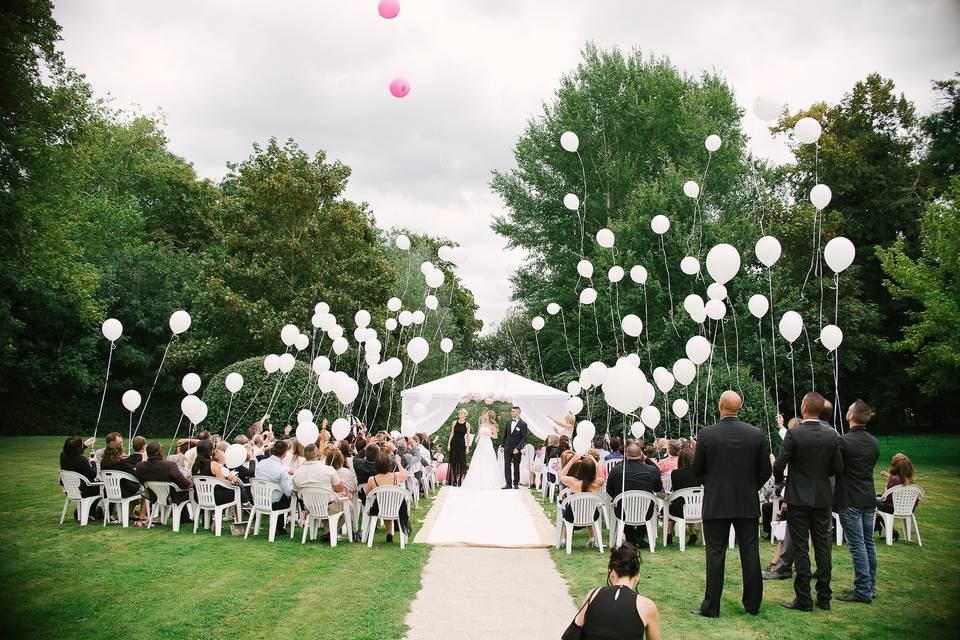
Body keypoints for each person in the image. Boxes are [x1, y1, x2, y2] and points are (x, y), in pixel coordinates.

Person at [691, 390, 771, 619]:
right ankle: (753, 604)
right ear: (740, 408)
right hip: (746, 502)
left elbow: (697, 470)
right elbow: (765, 471)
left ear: (720, 407)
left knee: (715, 554)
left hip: (717, 502)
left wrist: (713, 483)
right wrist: (748, 487)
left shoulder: (707, 435)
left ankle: (711, 607)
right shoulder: (755, 434)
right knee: (750, 552)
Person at [774, 392, 843, 612]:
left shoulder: (794, 434)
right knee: (823, 546)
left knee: (801, 546)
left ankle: (804, 598)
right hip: (822, 497)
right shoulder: (832, 435)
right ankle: (824, 596)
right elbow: (837, 468)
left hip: (798, 497)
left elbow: (778, 465)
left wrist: (781, 481)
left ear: (804, 407)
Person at [833, 400, 880, 604]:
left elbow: (835, 467)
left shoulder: (844, 442)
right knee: (868, 543)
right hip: (869, 497)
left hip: (851, 498)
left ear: (851, 416)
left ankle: (863, 589)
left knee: (858, 545)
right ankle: (870, 586)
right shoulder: (874, 442)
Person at [569, 543, 661, 640]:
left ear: (612, 574)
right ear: (637, 578)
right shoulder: (647, 606)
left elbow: (576, 627)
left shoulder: (593, 594)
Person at [605, 441, 662, 547]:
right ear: (641, 455)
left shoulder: (617, 470)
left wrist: (617, 497)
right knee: (648, 505)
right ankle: (637, 536)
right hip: (645, 511)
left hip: (623, 510)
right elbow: (658, 488)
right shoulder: (652, 470)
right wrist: (647, 459)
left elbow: (609, 490)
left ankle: (631, 537)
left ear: (626, 455)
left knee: (622, 505)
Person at [559, 452, 605, 547]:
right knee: (587, 509)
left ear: (580, 469)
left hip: (572, 516)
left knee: (564, 509)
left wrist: (571, 461)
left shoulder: (573, 482)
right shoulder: (596, 483)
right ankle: (592, 537)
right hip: (592, 516)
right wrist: (595, 463)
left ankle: (565, 539)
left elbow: (561, 475)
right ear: (593, 471)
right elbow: (602, 477)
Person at [135, 441, 193, 510]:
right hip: (172, 497)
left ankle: (184, 517)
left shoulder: (140, 466)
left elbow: (141, 481)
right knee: (192, 490)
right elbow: (184, 484)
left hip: (153, 496)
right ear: (160, 452)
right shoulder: (169, 465)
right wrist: (191, 482)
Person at [366, 451, 409, 542]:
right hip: (397, 507)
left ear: (376, 465)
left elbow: (367, 494)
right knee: (388, 504)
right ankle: (391, 532)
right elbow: (405, 475)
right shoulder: (396, 476)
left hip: (381, 507)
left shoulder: (372, 479)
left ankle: (389, 532)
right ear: (389, 465)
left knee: (382, 504)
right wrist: (398, 463)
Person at [254, 439, 295, 535]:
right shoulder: (281, 470)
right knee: (290, 497)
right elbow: (288, 492)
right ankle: (280, 528)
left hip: (259, 499)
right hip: (274, 503)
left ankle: (279, 528)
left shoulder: (261, 463)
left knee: (280, 495)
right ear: (285, 453)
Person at [293, 444, 345, 516]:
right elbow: (340, 489)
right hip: (329, 508)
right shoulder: (328, 469)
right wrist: (331, 489)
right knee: (345, 504)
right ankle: (334, 526)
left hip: (309, 509)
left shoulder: (297, 473)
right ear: (318, 453)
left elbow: (297, 493)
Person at [875, 452, 918, 540]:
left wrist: (887, 489)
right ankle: (891, 531)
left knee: (872, 501)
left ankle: (876, 524)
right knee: (878, 499)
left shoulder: (894, 479)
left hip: (893, 509)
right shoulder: (910, 480)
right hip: (908, 509)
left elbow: (887, 499)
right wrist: (889, 476)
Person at [59, 436, 101, 520]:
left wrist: (85, 445)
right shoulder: (81, 460)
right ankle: (89, 512)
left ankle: (87, 512)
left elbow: (72, 451)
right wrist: (93, 462)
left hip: (70, 489)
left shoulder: (63, 455)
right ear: (78, 448)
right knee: (103, 489)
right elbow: (93, 474)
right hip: (84, 489)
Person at [666, 446, 699, 546]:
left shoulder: (675, 473)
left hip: (680, 507)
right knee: (686, 504)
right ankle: (693, 534)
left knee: (673, 505)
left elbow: (675, 490)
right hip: (696, 507)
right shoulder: (699, 473)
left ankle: (668, 534)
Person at [192, 439, 242, 505]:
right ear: (210, 450)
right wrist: (232, 481)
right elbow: (223, 483)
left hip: (199, 497)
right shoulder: (213, 464)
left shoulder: (195, 466)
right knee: (239, 488)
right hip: (214, 497)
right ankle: (240, 511)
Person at [461, 408, 502, 490]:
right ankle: (476, 480)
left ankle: (488, 481)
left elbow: (496, 436)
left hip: (487, 443)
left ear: (489, 416)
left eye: (486, 414)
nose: (484, 416)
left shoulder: (492, 425)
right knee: (478, 459)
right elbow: (479, 432)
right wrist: (477, 438)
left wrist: (488, 434)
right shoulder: (483, 423)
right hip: (481, 444)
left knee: (487, 460)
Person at [501, 406, 529, 489]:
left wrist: (518, 448)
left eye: (513, 411)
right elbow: (505, 435)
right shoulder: (508, 422)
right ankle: (508, 484)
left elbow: (524, 438)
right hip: (507, 447)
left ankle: (516, 483)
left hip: (516, 449)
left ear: (518, 412)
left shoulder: (523, 424)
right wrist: (503, 445)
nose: (511, 412)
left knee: (516, 466)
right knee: (507, 465)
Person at [446, 408, 470, 487]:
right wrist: (449, 444)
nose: (460, 414)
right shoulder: (454, 422)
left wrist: (467, 447)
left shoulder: (467, 424)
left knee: (461, 462)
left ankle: (460, 480)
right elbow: (451, 433)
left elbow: (468, 437)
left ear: (465, 415)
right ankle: (455, 480)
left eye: (462, 413)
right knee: (453, 462)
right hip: (454, 443)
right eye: (459, 413)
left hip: (461, 444)